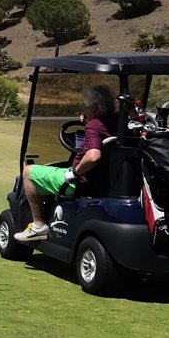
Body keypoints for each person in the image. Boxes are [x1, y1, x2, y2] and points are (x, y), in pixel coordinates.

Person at [14, 85, 118, 244]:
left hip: (81, 182)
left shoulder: (94, 125)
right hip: (103, 179)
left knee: (28, 172)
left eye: (85, 105)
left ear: (94, 107)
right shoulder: (117, 121)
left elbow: (93, 156)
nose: (83, 109)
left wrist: (75, 172)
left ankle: (38, 226)